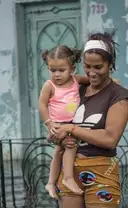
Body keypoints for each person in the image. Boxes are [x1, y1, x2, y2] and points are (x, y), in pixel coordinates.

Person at [48, 32, 128, 208]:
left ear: (110, 64)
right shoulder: (76, 89)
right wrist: (56, 133)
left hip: (102, 171)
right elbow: (57, 116)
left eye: (98, 67)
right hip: (69, 170)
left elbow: (110, 139)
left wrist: (71, 129)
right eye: (87, 66)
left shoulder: (118, 95)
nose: (92, 73)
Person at [38, 45, 89, 199]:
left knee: (59, 152)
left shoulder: (76, 80)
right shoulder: (49, 86)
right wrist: (48, 123)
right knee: (71, 146)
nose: (57, 75)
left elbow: (91, 80)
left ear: (72, 68)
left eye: (62, 70)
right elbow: (42, 104)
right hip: (58, 125)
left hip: (70, 124)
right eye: (52, 70)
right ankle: (68, 178)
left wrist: (111, 81)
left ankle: (51, 183)